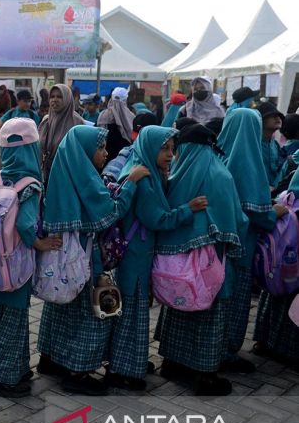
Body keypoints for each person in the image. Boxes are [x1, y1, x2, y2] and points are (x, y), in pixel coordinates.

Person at [35, 125, 148, 395]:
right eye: (99, 147)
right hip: (87, 263)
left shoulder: (64, 176)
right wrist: (130, 183)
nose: (105, 152)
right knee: (95, 316)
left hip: (65, 264)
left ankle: (51, 359)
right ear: (84, 152)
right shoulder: (88, 181)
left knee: (64, 312)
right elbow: (112, 212)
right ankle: (78, 373)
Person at [109, 126, 207, 391]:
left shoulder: (144, 168)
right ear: (150, 146)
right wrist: (189, 209)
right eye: (164, 148)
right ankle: (123, 371)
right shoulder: (143, 177)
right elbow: (157, 219)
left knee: (132, 310)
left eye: (172, 149)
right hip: (135, 256)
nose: (169, 154)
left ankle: (130, 361)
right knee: (131, 312)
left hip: (137, 254)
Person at [154, 122, 248, 396]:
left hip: (177, 269)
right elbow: (236, 221)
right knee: (209, 313)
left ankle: (173, 363)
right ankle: (205, 375)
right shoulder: (220, 175)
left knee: (179, 307)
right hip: (210, 266)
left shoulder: (176, 177)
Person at [0, 118, 59, 397]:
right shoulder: (31, 185)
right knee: (14, 318)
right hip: (16, 264)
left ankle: (4, 366)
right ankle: (5, 379)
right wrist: (41, 243)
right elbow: (25, 224)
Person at [217, 108, 282, 372]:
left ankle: (212, 349)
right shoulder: (249, 163)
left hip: (213, 250)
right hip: (240, 246)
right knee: (236, 300)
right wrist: (273, 213)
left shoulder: (215, 158)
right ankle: (227, 352)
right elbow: (255, 212)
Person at [254, 165, 299, 368]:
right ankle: (285, 349)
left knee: (281, 286)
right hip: (293, 231)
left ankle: (267, 342)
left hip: (288, 233)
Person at [37, 84, 85, 186]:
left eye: (59, 97)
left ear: (67, 98)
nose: (54, 100)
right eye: (52, 96)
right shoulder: (46, 120)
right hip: (46, 175)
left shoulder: (77, 122)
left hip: (67, 177)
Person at [97, 87, 134, 163]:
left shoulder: (103, 115)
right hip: (124, 159)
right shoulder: (131, 117)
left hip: (105, 159)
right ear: (125, 100)